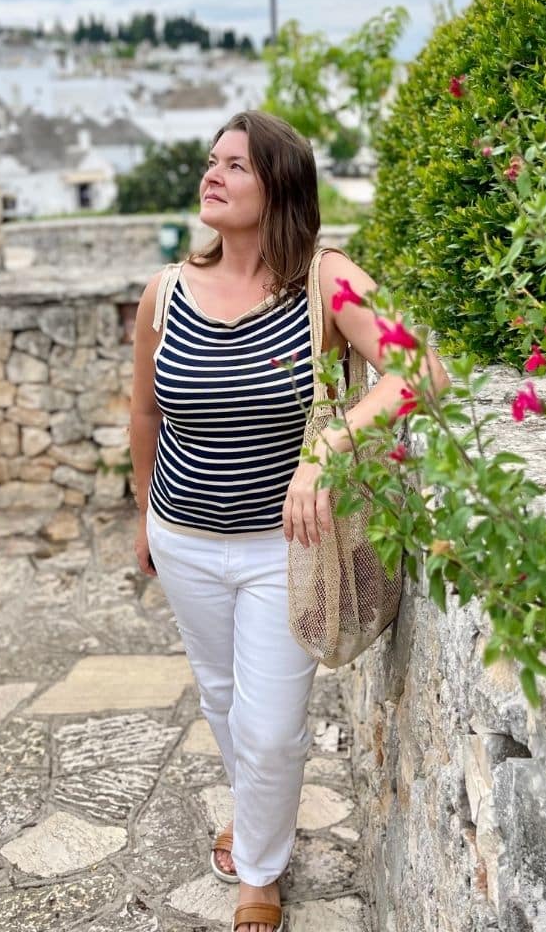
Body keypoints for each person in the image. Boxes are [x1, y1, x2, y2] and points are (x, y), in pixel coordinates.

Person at [128, 110, 449, 932]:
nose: (213, 174)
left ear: (279, 186)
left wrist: (328, 448)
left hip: (287, 550)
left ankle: (259, 878)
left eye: (235, 165)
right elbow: (146, 416)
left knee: (270, 729)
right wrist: (143, 518)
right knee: (221, 696)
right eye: (211, 161)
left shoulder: (324, 277)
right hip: (185, 535)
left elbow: (423, 370)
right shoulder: (165, 292)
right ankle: (258, 824)